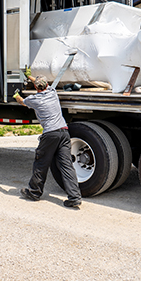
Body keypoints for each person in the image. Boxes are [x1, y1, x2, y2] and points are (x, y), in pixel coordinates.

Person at [13, 69, 82, 208]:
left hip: (50, 134)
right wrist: (30, 76)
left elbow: (22, 101)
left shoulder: (34, 99)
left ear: (35, 88)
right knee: (66, 165)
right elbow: (39, 83)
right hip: (64, 132)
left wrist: (15, 95)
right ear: (46, 85)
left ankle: (34, 192)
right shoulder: (52, 92)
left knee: (41, 163)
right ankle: (74, 196)